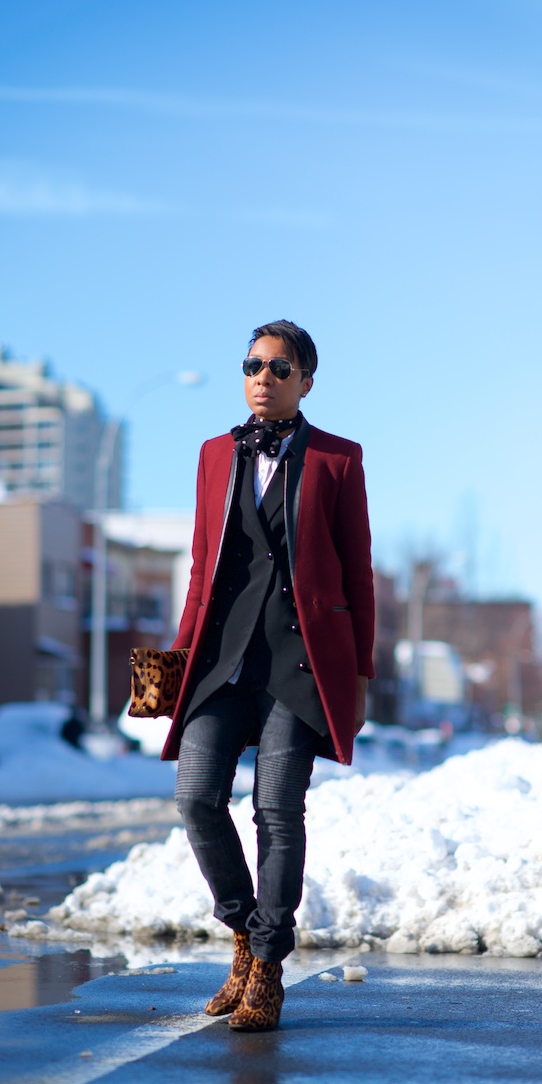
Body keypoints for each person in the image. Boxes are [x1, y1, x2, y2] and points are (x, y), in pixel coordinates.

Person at [161, 319, 375, 1031]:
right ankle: (244, 935)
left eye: (279, 367)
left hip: (300, 659)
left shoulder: (340, 461)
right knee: (195, 798)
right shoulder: (213, 455)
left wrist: (362, 672)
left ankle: (269, 968)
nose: (263, 376)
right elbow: (201, 569)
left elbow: (357, 575)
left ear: (306, 380)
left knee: (276, 810)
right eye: (252, 364)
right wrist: (176, 658)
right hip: (222, 658)